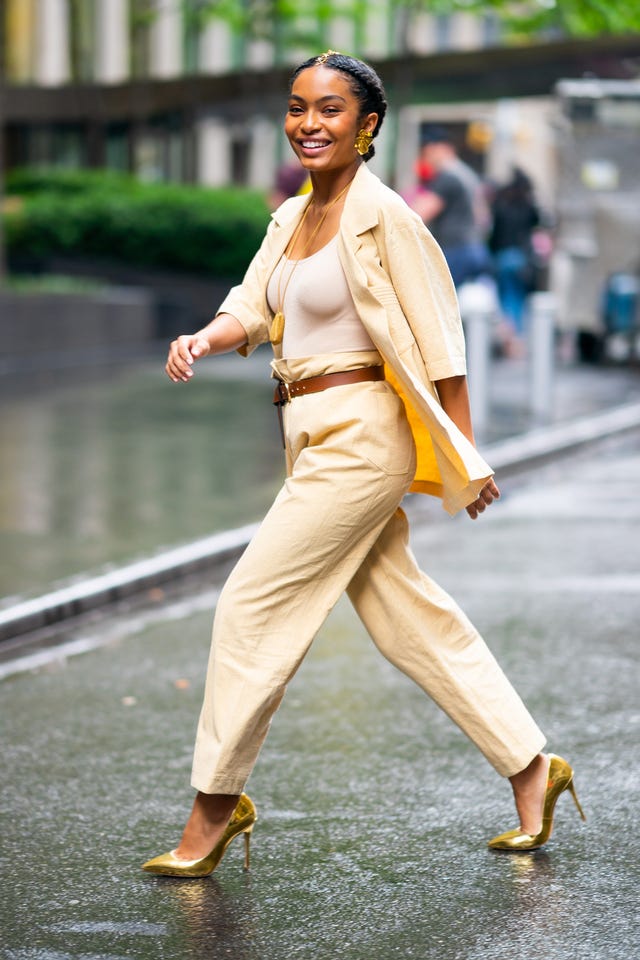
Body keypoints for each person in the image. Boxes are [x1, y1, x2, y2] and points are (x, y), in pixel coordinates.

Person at [142, 52, 585, 879]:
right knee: (405, 617)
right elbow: (252, 304)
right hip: (305, 431)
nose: (310, 123)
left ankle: (212, 810)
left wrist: (464, 450)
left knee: (250, 605)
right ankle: (532, 767)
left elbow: (441, 341)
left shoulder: (386, 219)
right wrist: (205, 337)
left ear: (368, 125)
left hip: (362, 437)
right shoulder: (291, 216)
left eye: (331, 110)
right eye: (298, 107)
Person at [409, 125, 492, 287]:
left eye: (428, 152)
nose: (426, 158)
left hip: (456, 250)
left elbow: (416, 214)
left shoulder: (447, 177)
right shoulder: (467, 174)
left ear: (440, 148)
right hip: (474, 247)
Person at [489, 168, 540, 339]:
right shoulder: (528, 207)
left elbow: (494, 235)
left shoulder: (501, 205)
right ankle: (515, 334)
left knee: (505, 297)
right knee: (517, 298)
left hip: (502, 256)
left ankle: (508, 334)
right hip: (520, 258)